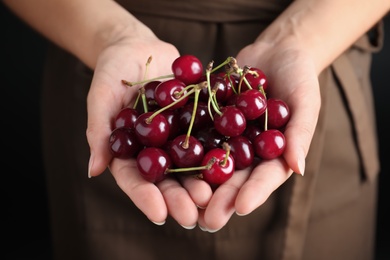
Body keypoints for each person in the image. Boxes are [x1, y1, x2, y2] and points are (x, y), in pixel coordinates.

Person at [3, 0, 389, 259]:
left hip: (323, 45)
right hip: (100, 64)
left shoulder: (248, 112)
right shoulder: (148, 115)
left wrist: (299, 39)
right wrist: (110, 35)